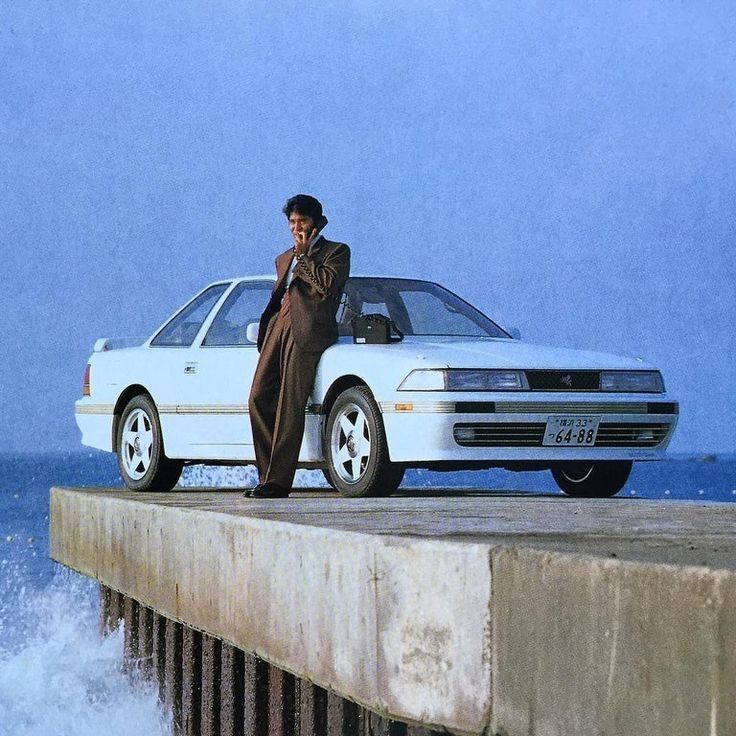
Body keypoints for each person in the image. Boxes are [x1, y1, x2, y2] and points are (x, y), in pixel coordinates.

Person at [245, 195, 351, 498]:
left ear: (316, 222)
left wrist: (304, 258)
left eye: (302, 221)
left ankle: (277, 482)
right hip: (279, 325)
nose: (296, 227)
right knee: (258, 398)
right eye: (292, 222)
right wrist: (295, 257)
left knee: (290, 405)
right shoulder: (283, 257)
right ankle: (266, 475)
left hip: (308, 332)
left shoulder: (336, 252)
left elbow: (327, 287)